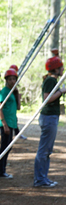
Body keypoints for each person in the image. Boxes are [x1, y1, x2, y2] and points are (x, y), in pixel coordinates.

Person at [34, 56, 66, 188]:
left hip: (51, 117)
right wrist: (62, 91)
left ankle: (43, 178)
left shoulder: (53, 80)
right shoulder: (50, 80)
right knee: (44, 150)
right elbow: (47, 99)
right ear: (56, 69)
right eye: (61, 67)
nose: (63, 69)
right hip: (48, 117)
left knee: (47, 150)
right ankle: (40, 179)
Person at [0, 69, 18, 179]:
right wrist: (4, 124)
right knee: (4, 147)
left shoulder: (12, 92)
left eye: (14, 79)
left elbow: (18, 107)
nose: (12, 81)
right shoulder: (4, 92)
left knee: (8, 146)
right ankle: (1, 171)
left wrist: (17, 93)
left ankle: (3, 170)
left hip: (11, 122)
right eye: (10, 79)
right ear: (6, 80)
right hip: (6, 123)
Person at [9, 64, 27, 140]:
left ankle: (17, 133)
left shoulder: (12, 79)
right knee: (13, 119)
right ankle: (16, 134)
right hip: (10, 103)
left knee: (14, 119)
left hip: (13, 102)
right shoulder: (10, 81)